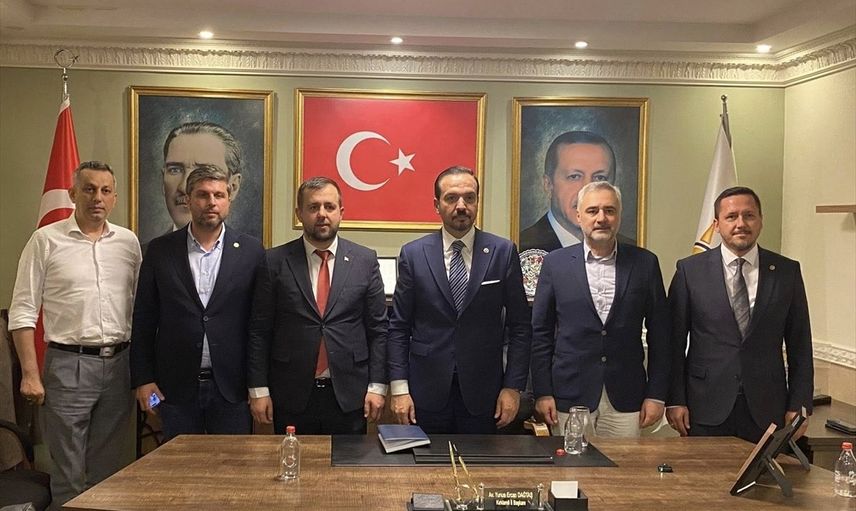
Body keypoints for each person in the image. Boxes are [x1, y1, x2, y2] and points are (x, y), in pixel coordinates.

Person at [8, 161, 141, 507]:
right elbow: (23, 311)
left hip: (120, 365)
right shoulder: (45, 240)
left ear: (114, 198)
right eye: (89, 189)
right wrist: (30, 374)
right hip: (68, 366)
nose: (97, 197)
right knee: (68, 474)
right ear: (72, 194)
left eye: (105, 191)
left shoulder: (128, 243)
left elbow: (141, 307)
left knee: (108, 472)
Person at [388, 166, 531, 434]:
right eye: (451, 198)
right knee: (427, 461)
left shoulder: (502, 252)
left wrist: (513, 387)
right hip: (425, 392)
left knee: (479, 460)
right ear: (437, 205)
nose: (462, 205)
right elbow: (398, 327)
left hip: (484, 394)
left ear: (478, 201)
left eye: (469, 197)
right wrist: (399, 389)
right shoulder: (413, 254)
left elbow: (520, 327)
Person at [666, 186, 813, 443]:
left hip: (767, 407)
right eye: (731, 216)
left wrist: (799, 404)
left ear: (761, 220)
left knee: (764, 471)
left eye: (749, 215)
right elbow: (674, 343)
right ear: (717, 224)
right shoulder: (690, 271)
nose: (741, 224)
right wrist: (675, 399)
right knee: (705, 471)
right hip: (705, 405)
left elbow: (800, 344)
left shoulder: (786, 271)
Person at [130, 165, 264, 440]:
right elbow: (144, 319)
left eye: (219, 195)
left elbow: (259, 325)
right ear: (188, 199)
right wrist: (144, 380)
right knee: (177, 463)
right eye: (203, 195)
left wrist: (258, 387)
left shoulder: (251, 251)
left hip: (232, 388)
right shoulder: (160, 250)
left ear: (228, 200)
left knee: (230, 462)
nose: (211, 202)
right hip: (174, 388)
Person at [247, 177, 387, 435]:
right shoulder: (274, 261)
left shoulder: (364, 260)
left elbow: (378, 329)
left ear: (341, 212)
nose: (322, 214)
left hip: (349, 394)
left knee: (347, 462)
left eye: (329, 207)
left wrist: (377, 386)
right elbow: (259, 331)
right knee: (293, 459)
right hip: (291, 393)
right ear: (299, 213)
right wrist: (258, 389)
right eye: (313, 207)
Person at [531, 182, 670, 437]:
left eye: (609, 210)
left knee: (623, 463)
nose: (601, 218)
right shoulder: (555, 264)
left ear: (619, 216)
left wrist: (657, 394)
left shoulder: (645, 263)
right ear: (579, 216)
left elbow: (661, 334)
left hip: (627, 397)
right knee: (572, 462)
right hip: (569, 396)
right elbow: (541, 333)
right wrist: (542, 392)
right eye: (593, 210)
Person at [520, 130, 632, 253]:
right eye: (574, 177)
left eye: (600, 178)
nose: (587, 189)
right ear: (548, 185)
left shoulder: (632, 253)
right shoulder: (522, 248)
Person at [159, 121, 243, 233]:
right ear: (163, 181)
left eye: (203, 171)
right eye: (175, 170)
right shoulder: (153, 245)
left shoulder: (251, 245)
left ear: (233, 187)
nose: (184, 187)